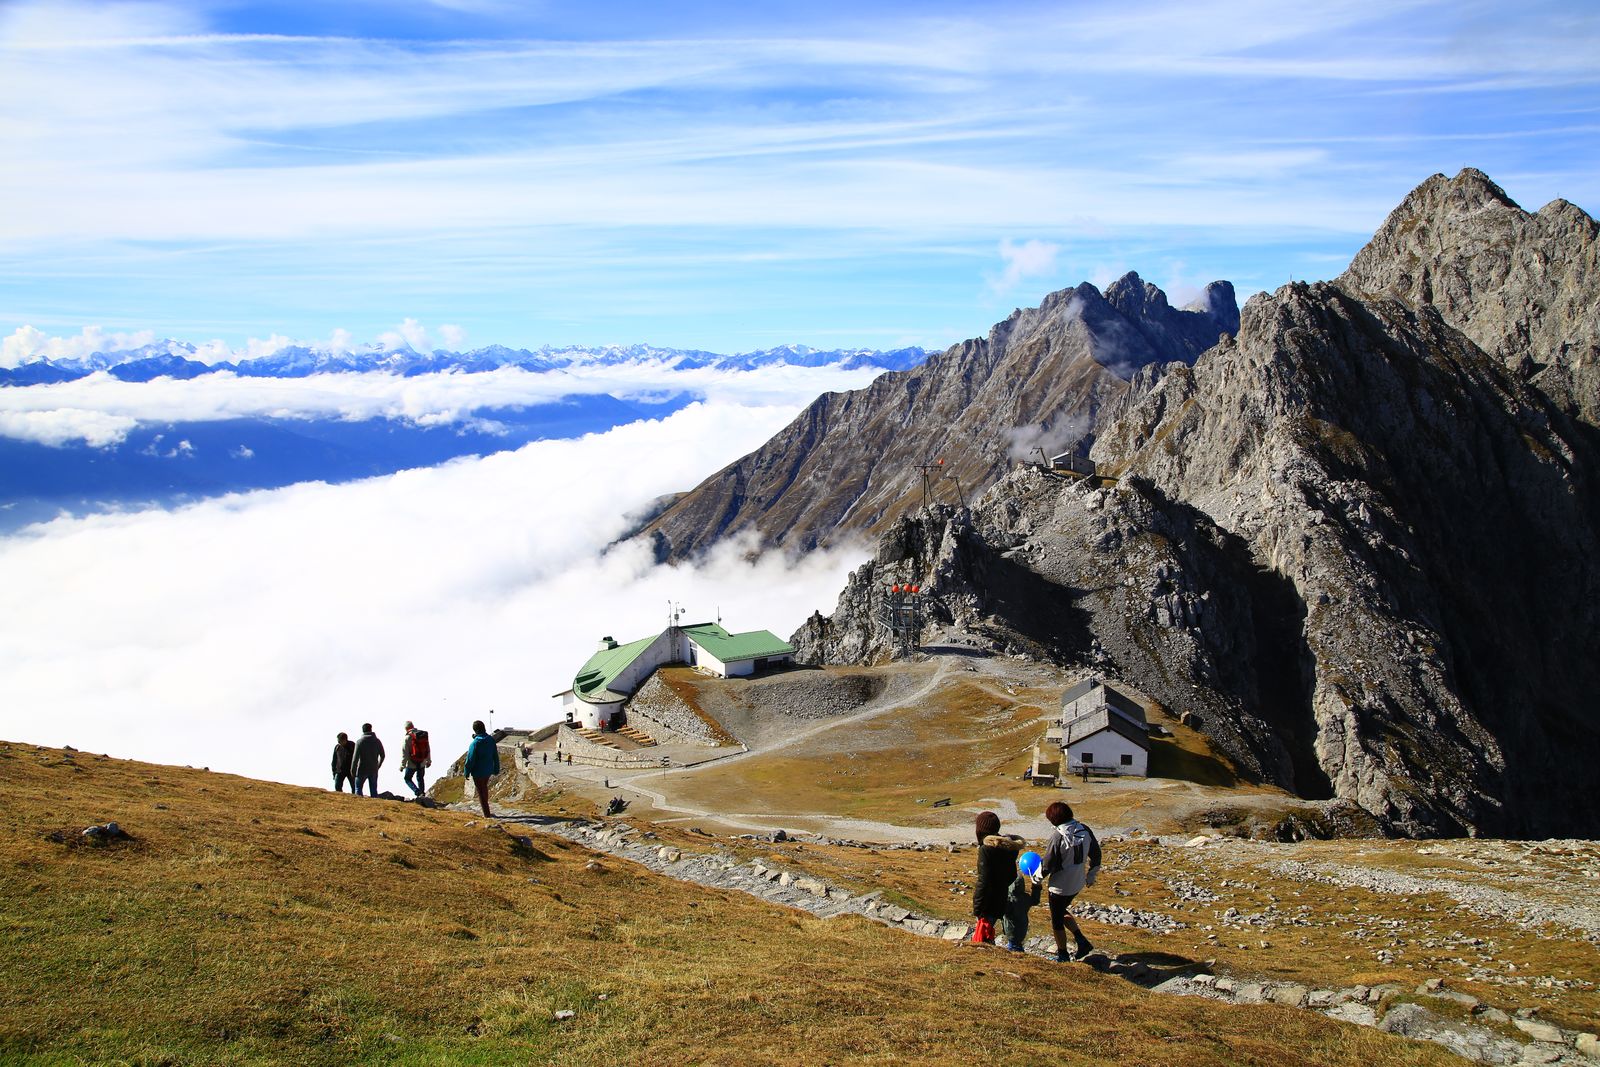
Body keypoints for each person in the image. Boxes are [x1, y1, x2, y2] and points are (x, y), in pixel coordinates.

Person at [1040, 800, 1102, 961]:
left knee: (1056, 920)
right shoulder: (1084, 829)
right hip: (1078, 881)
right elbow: (1096, 854)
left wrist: (1036, 878)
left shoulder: (1058, 835)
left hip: (1060, 885)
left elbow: (1048, 864)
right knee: (1061, 910)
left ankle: (1063, 954)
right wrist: (1091, 876)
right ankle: (1081, 940)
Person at [970, 810, 1024, 945]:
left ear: (980, 830)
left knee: (982, 935)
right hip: (1000, 898)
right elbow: (1012, 875)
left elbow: (984, 880)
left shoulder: (986, 849)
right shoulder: (1009, 848)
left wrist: (977, 907)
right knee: (988, 930)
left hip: (987, 902)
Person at [1000, 853, 1043, 952]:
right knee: (1017, 944)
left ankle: (1016, 954)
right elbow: (1035, 900)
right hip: (1022, 928)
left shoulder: (1008, 900)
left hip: (1010, 930)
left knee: (1013, 946)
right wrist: (1036, 885)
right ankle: (1019, 951)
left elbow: (1001, 910)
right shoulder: (1025, 898)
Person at [464, 719, 500, 819]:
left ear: (475, 730)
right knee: (484, 788)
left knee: (480, 791)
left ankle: (487, 815)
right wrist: (496, 768)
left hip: (478, 772)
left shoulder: (475, 743)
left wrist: (466, 772)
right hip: (488, 770)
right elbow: (495, 755)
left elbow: (470, 759)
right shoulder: (491, 740)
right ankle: (487, 811)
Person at [351, 723, 385, 797]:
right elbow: (383, 755)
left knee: (358, 789)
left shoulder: (359, 742)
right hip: (373, 769)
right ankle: (375, 805)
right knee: (373, 790)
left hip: (362, 769)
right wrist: (378, 765)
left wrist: (353, 770)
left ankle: (359, 805)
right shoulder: (377, 741)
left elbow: (355, 758)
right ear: (371, 729)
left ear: (363, 730)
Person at [400, 720, 431, 798]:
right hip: (422, 762)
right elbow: (427, 748)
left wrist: (402, 765)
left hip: (411, 763)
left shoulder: (407, 738)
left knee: (407, 778)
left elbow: (405, 754)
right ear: (413, 726)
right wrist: (428, 760)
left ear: (406, 729)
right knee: (420, 778)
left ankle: (417, 792)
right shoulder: (422, 735)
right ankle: (422, 793)